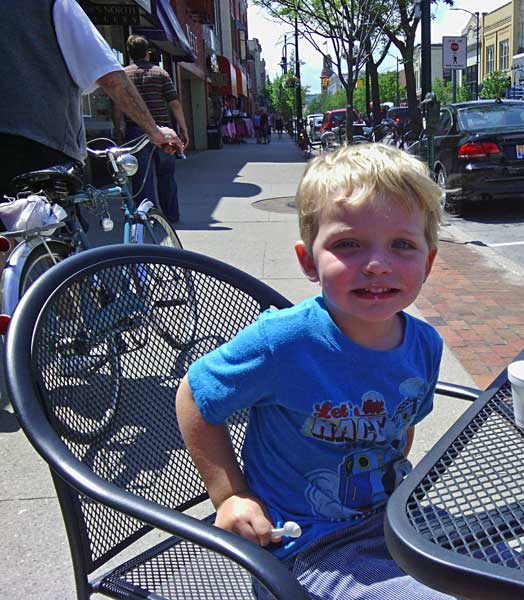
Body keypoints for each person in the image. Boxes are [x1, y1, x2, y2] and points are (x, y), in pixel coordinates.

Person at [176, 143, 454, 600]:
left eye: (402, 244)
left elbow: (400, 431)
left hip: (394, 522)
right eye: (348, 244)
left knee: (508, 575)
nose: (377, 264)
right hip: (304, 546)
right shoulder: (284, 343)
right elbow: (194, 395)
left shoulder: (425, 345)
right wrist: (229, 496)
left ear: (427, 263)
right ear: (308, 261)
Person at [0, 0, 183, 202]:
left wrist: (118, 125)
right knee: (51, 224)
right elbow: (111, 79)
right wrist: (155, 131)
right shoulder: (52, 4)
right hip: (41, 148)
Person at [112, 35, 188, 224]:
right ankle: (171, 214)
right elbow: (175, 103)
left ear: (129, 54)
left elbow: (118, 106)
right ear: (148, 53)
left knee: (141, 177)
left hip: (135, 131)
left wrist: (118, 127)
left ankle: (148, 217)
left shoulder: (124, 74)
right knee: (166, 175)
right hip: (163, 132)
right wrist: (184, 130)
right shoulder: (160, 73)